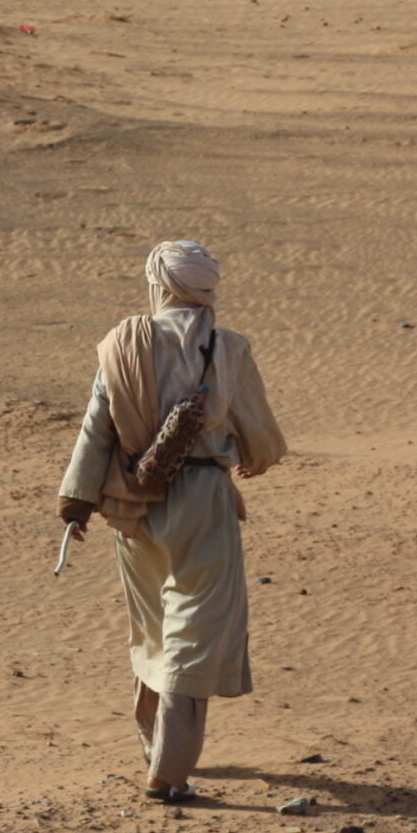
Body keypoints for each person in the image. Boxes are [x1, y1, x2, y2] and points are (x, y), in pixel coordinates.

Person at [57, 240, 288, 803]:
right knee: (194, 632)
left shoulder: (123, 344)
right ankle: (168, 771)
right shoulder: (228, 348)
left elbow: (97, 425)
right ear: (205, 289)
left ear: (159, 285)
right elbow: (260, 435)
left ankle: (154, 746)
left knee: (155, 629)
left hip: (132, 502)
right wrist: (253, 458)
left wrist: (76, 504)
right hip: (204, 501)